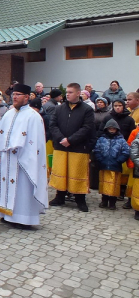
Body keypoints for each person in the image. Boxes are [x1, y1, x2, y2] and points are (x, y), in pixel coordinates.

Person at [0, 83, 48, 228]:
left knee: (22, 190)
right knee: (6, 186)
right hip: (7, 159)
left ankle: (24, 219)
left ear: (27, 97)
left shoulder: (33, 116)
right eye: (13, 95)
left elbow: (36, 144)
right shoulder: (9, 114)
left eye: (18, 95)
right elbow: (1, 135)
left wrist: (25, 156)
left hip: (23, 160)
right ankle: (6, 214)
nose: (14, 97)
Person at [49, 83, 96, 212]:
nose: (67, 94)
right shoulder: (59, 109)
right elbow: (52, 125)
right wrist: (61, 139)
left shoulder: (87, 109)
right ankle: (60, 197)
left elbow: (87, 128)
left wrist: (71, 140)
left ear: (77, 93)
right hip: (61, 146)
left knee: (77, 172)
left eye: (70, 92)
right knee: (61, 171)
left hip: (79, 147)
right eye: (67, 92)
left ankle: (80, 199)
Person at [94, 119, 130, 210]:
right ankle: (104, 201)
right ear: (106, 129)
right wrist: (100, 159)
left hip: (115, 166)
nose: (111, 130)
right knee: (104, 184)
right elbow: (96, 150)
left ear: (117, 129)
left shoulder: (121, 140)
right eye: (110, 128)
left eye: (113, 129)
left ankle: (112, 203)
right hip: (104, 165)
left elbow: (126, 152)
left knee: (114, 186)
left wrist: (119, 160)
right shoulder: (101, 139)